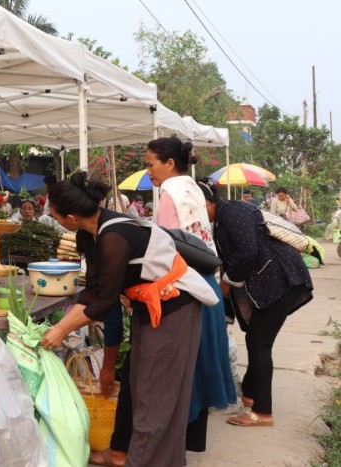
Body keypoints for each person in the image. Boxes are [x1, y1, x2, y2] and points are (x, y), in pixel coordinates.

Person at [40, 172, 217, 467]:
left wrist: (60, 330)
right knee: (137, 386)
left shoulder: (113, 237)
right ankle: (138, 456)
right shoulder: (91, 233)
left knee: (154, 396)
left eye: (54, 214)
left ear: (70, 217)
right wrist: (60, 327)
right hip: (149, 307)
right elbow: (94, 292)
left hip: (174, 308)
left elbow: (104, 302)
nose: (54, 219)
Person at [138, 136, 235, 455]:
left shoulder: (169, 192)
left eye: (151, 163)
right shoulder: (192, 187)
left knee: (181, 371)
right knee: (201, 366)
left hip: (185, 286)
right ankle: (192, 443)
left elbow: (164, 246)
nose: (148, 170)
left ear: (169, 163)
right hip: (206, 282)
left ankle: (171, 449)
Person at [200, 182, 313, 428]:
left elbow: (248, 252)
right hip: (279, 282)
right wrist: (226, 311)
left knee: (258, 341)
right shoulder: (221, 218)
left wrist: (226, 284)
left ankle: (263, 412)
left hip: (284, 280)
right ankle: (250, 394)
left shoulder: (231, 212)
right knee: (257, 338)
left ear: (206, 202)